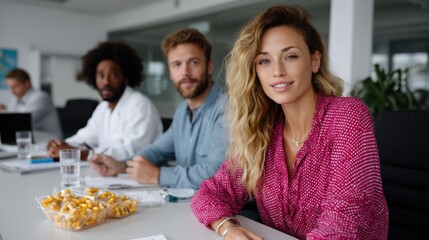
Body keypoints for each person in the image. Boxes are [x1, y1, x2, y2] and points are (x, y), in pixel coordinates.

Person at [191, 5, 388, 240]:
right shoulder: (263, 130)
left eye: (290, 56)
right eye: (264, 61)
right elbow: (210, 194)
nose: (277, 71)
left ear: (314, 61)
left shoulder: (348, 116)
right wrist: (227, 228)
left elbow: (342, 224)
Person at [89, 28, 228, 189]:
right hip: (190, 203)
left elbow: (220, 173)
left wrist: (158, 175)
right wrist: (121, 166)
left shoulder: (228, 108)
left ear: (209, 67)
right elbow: (156, 152)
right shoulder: (182, 111)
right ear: (170, 72)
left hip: (232, 211)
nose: (185, 72)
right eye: (177, 65)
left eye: (194, 62)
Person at [47, 41, 163, 160]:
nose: (106, 82)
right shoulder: (103, 107)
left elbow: (131, 151)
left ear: (125, 79)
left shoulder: (140, 105)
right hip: (109, 172)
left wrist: (80, 153)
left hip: (138, 174)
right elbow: (85, 138)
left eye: (113, 75)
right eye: (101, 76)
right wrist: (60, 145)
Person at [0, 68, 63, 138]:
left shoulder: (41, 97)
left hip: (50, 138)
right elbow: (12, 118)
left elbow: (22, 122)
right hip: (31, 136)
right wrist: (4, 111)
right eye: (10, 87)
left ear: (27, 84)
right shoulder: (15, 98)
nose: (12, 91)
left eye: (15, 86)